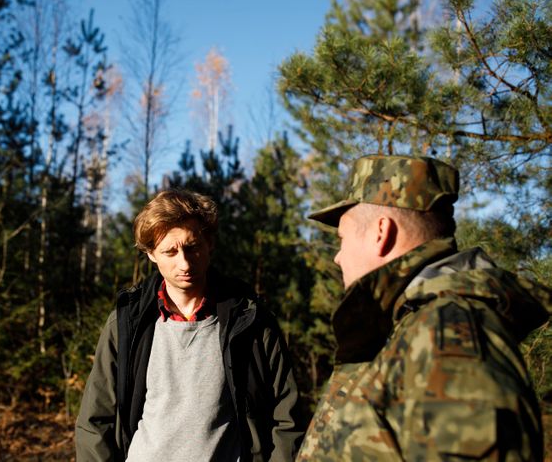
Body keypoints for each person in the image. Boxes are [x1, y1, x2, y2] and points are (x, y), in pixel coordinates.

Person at [297, 155, 551, 461]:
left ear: (381, 233)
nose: (338, 257)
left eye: (342, 239)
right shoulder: (408, 327)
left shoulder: (447, 332)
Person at [76, 188, 304, 462]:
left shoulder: (252, 320)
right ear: (151, 254)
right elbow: (96, 420)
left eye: (192, 247)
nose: (183, 263)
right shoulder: (127, 323)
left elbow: (287, 417)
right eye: (169, 252)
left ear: (209, 243)